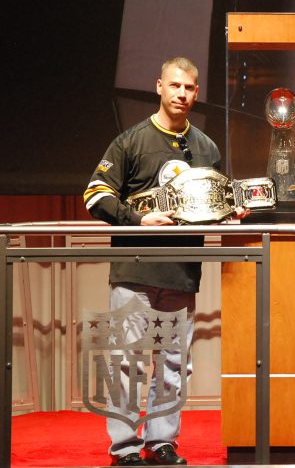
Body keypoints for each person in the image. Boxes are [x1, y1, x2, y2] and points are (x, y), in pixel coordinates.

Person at [84, 57, 238, 466]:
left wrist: (231, 211)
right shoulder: (130, 141)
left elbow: (211, 206)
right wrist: (138, 220)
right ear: (159, 86)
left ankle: (161, 442)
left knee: (174, 366)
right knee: (126, 364)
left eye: (188, 88)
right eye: (174, 85)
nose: (181, 94)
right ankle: (124, 447)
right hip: (134, 270)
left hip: (181, 273)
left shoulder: (206, 147)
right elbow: (95, 195)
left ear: (196, 93)